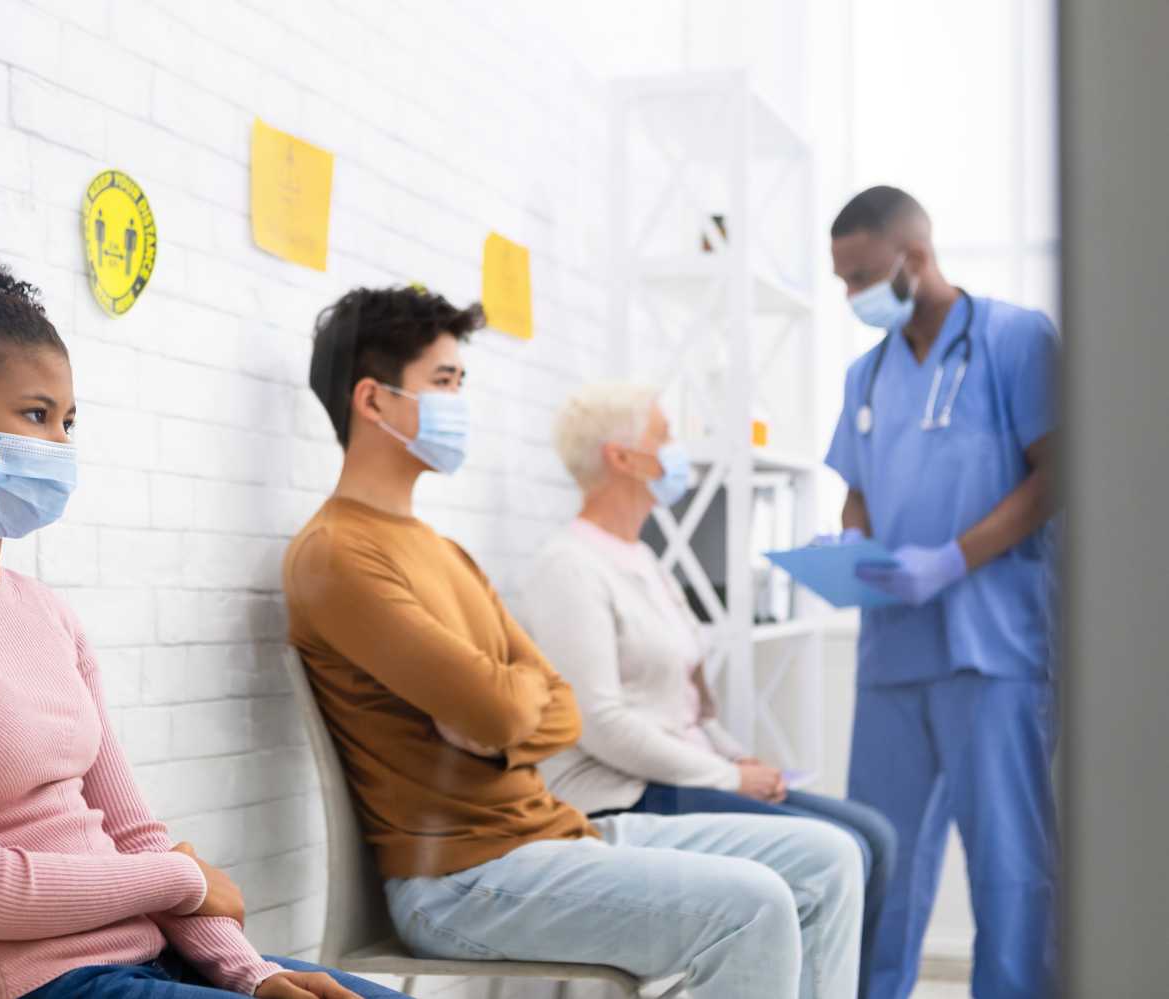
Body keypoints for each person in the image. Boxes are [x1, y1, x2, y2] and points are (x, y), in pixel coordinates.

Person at [0, 216, 410, 999]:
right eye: (33, 415)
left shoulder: (46, 614)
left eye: (67, 421)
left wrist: (252, 973)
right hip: (30, 985)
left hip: (150, 957)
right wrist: (180, 881)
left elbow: (132, 834)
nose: (57, 443)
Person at [281, 286, 865, 999]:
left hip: (553, 837)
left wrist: (500, 709)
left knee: (831, 857)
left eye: (461, 382)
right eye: (442, 381)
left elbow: (558, 710)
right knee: (754, 907)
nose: (459, 401)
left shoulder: (443, 551)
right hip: (463, 879)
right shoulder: (336, 553)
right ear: (373, 401)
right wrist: (504, 707)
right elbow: (505, 710)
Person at [514, 382, 897, 999]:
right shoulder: (568, 566)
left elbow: (687, 701)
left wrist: (735, 757)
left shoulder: (644, 559)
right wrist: (725, 779)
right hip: (624, 792)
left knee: (875, 834)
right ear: (621, 457)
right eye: (665, 438)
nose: (678, 452)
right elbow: (600, 722)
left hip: (687, 771)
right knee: (847, 848)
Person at [823, 187, 1060, 999]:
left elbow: (1055, 471)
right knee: (880, 859)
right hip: (892, 650)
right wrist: (850, 542)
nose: (849, 295)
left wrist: (953, 560)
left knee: (1008, 865)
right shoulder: (865, 373)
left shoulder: (1015, 339)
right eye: (840, 280)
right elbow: (856, 488)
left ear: (912, 257)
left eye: (858, 276)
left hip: (995, 644)